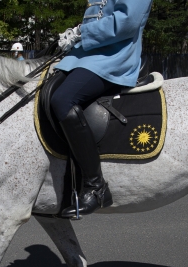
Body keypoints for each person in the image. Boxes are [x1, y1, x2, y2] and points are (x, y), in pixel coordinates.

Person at [51, 0, 153, 218]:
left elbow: (126, 23)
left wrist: (82, 32)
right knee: (45, 90)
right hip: (86, 55)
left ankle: (96, 187)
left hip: (113, 57)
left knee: (63, 100)